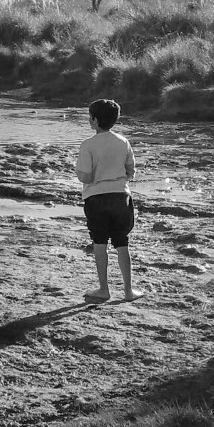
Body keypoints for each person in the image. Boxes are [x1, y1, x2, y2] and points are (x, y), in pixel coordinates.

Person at [76, 98, 143, 302]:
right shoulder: (123, 142)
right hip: (121, 196)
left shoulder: (88, 145)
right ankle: (128, 291)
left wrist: (83, 174)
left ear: (95, 120)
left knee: (99, 243)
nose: (89, 120)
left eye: (90, 117)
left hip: (96, 198)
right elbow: (131, 172)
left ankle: (104, 289)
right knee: (122, 243)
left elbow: (85, 177)